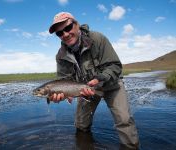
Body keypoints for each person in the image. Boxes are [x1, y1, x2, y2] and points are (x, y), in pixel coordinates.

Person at [48, 12, 139, 150]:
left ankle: (131, 147)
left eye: (67, 28)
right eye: (59, 33)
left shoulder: (97, 38)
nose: (65, 34)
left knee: (124, 120)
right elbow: (64, 81)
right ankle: (84, 145)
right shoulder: (61, 56)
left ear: (76, 25)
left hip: (111, 84)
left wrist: (101, 78)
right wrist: (61, 95)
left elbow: (115, 66)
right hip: (85, 90)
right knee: (81, 124)